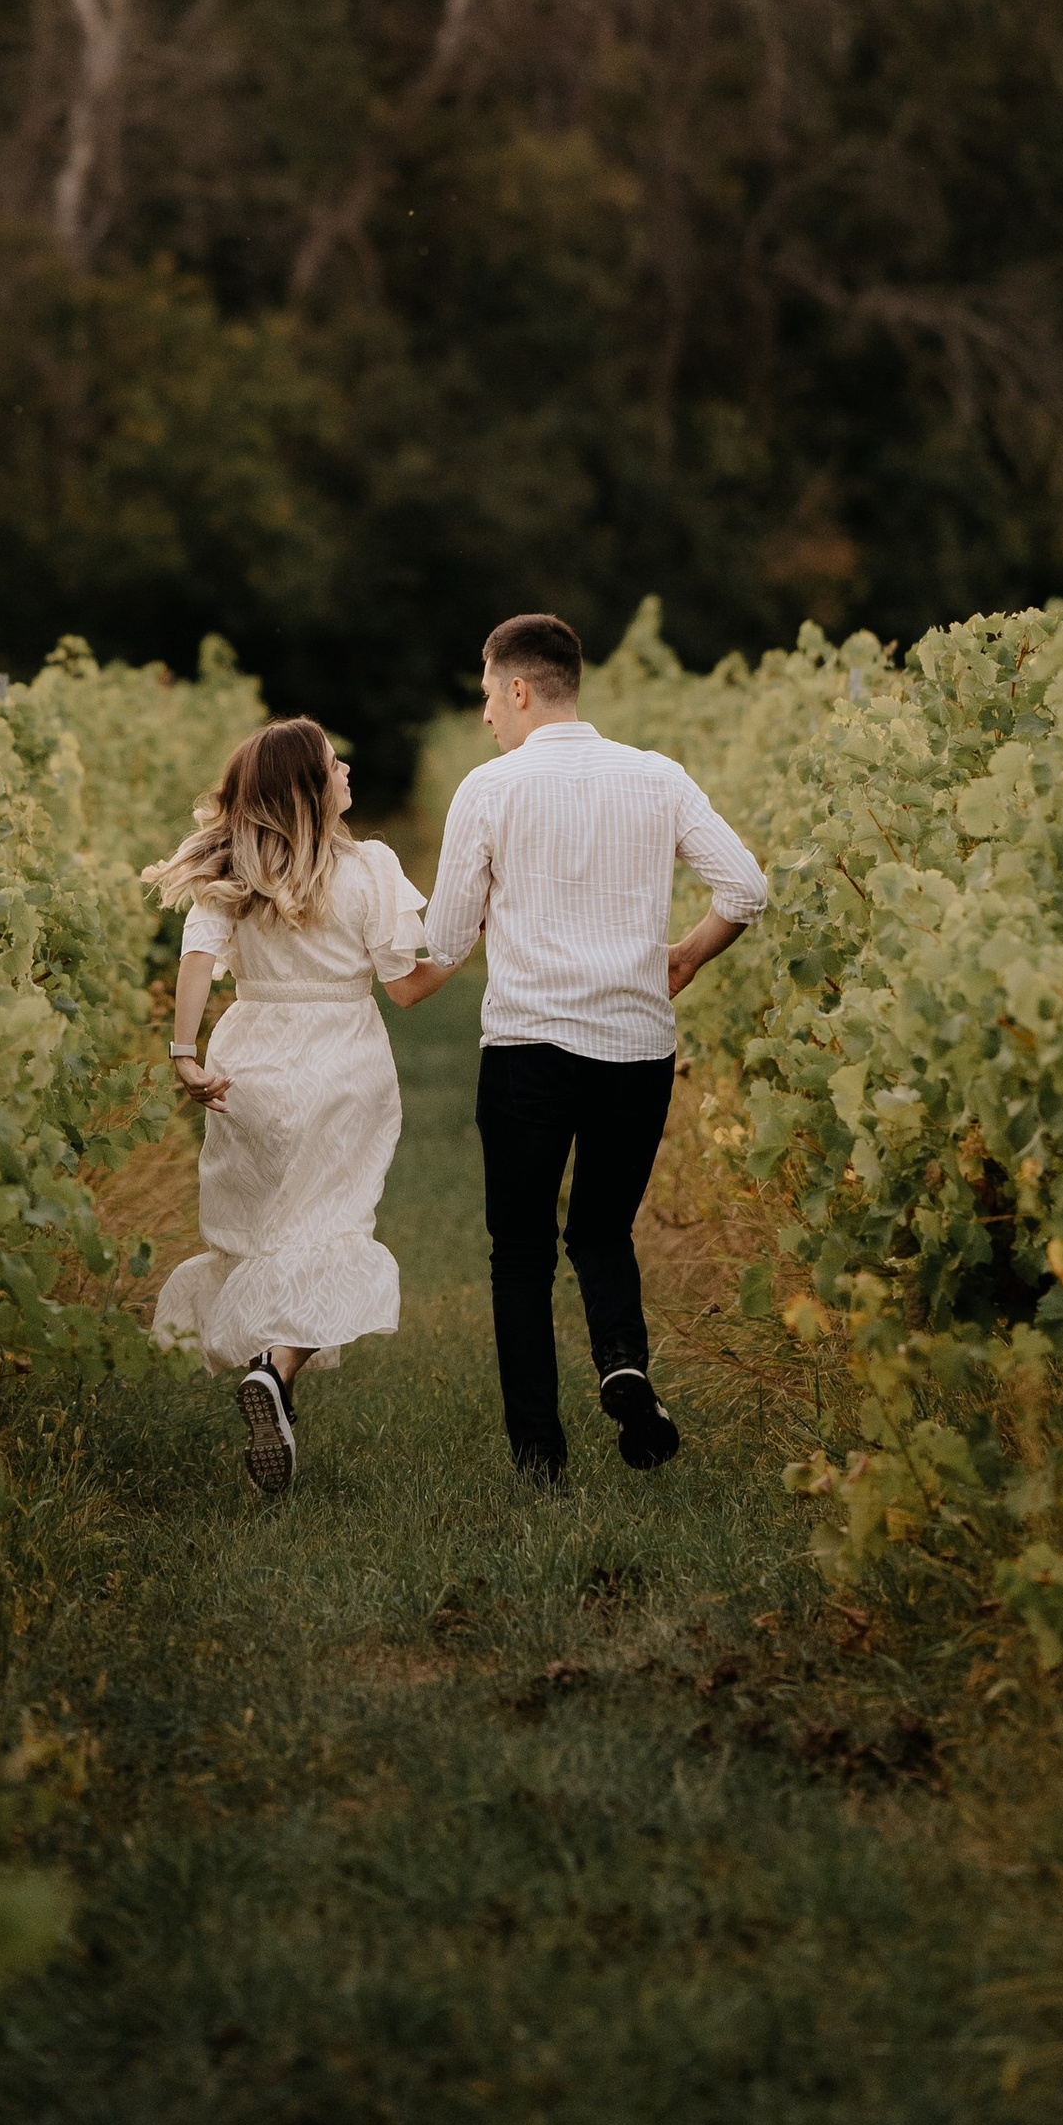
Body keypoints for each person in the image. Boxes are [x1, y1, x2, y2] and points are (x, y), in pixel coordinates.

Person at [410, 612, 767, 1485]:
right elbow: (747, 888)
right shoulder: (657, 777)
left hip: (530, 1047)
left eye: (490, 693)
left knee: (521, 1249)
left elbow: (447, 937)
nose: (487, 713)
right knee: (603, 1230)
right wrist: (685, 954)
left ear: (521, 688)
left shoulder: (490, 790)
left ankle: (540, 1456)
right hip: (636, 1048)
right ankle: (625, 1369)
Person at [144, 717, 426, 1496]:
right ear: (308, 789)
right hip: (341, 1065)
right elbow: (403, 975)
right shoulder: (369, 869)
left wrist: (185, 1053)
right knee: (330, 1231)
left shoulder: (237, 867)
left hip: (250, 1065)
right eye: (335, 766)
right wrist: (467, 953)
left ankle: (279, 1411)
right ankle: (275, 1368)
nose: (346, 775)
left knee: (269, 1235)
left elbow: (198, 955)